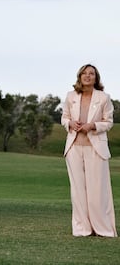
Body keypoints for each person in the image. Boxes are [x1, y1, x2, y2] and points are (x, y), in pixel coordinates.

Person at [61, 64, 117, 237]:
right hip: (74, 148)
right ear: (79, 76)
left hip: (96, 148)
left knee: (98, 191)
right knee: (78, 191)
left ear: (96, 77)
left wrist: (93, 125)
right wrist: (69, 123)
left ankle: (102, 228)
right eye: (84, 73)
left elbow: (108, 122)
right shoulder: (71, 96)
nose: (87, 76)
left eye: (91, 73)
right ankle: (82, 229)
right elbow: (64, 117)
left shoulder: (104, 98)